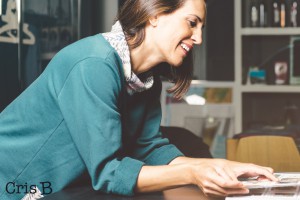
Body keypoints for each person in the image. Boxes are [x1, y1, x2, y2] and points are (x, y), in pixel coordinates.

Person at [0, 0, 278, 199]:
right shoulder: (92, 63)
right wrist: (193, 174)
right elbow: (109, 172)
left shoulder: (146, 80)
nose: (199, 38)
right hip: (14, 186)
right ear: (155, 13)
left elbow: (150, 148)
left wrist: (224, 167)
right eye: (192, 23)